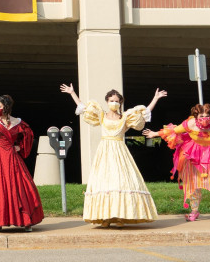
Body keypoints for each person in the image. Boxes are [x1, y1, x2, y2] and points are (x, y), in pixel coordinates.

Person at [60, 83, 166, 226]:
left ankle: (119, 216)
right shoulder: (101, 115)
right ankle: (106, 217)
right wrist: (72, 93)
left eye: (117, 101)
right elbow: (84, 109)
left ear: (120, 102)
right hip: (104, 150)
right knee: (104, 181)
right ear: (107, 102)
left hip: (120, 151)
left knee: (121, 180)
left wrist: (155, 98)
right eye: (111, 101)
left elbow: (144, 113)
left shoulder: (125, 117)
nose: (114, 103)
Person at [0, 94, 44, 231]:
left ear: (7, 107)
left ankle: (25, 221)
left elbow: (27, 137)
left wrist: (20, 147)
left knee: (20, 187)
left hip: (12, 157)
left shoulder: (18, 122)